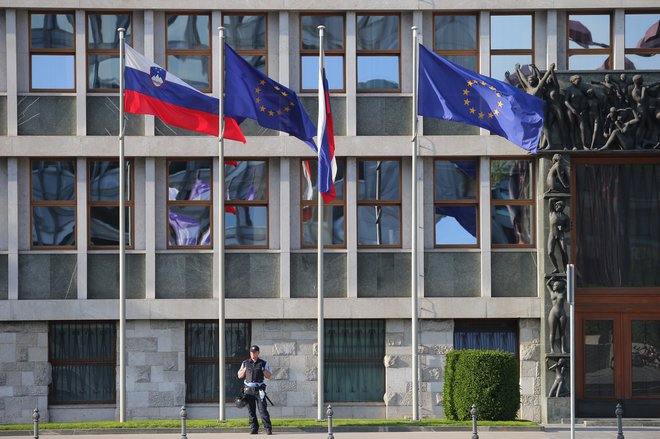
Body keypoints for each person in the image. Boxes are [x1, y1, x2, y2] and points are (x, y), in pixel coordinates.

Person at [237, 345, 273, 435]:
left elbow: (269, 376)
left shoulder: (263, 363)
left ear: (258, 353)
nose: (253, 354)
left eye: (255, 352)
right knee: (251, 410)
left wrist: (263, 370)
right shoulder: (245, 363)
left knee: (263, 410)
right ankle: (254, 428)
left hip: (259, 391)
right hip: (248, 391)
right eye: (252, 352)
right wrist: (245, 369)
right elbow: (239, 376)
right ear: (250, 353)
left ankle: (268, 429)